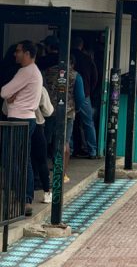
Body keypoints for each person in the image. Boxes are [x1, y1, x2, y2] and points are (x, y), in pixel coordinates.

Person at [1, 40, 44, 216]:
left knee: (10, 158)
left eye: (18, 51)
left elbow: (4, 92)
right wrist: (13, 94)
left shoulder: (26, 71)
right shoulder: (34, 72)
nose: (15, 54)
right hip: (29, 118)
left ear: (27, 53)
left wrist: (11, 95)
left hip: (19, 118)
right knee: (22, 158)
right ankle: (24, 197)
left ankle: (21, 195)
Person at [43, 54, 77, 184]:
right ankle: (61, 174)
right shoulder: (75, 75)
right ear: (72, 63)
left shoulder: (48, 72)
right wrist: (75, 108)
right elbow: (79, 96)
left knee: (47, 140)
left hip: (49, 111)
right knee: (64, 142)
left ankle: (43, 171)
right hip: (67, 113)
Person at [72, 37, 98, 156]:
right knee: (88, 123)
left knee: (69, 121)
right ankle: (92, 150)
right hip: (85, 94)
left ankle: (70, 149)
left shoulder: (68, 56)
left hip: (68, 94)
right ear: (81, 46)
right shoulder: (88, 59)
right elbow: (95, 77)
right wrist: (89, 91)